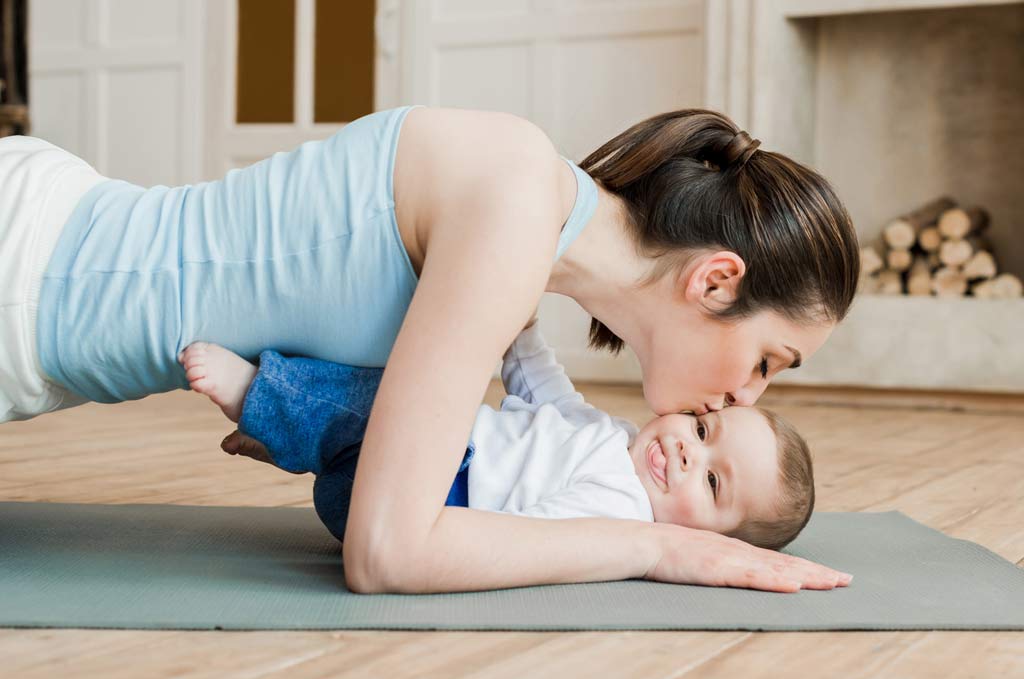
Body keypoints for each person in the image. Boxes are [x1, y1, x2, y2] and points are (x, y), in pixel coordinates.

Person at [0, 104, 859, 593]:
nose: (745, 398)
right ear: (715, 282)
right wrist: (659, 546)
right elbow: (386, 552)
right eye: (768, 362)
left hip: (48, 245)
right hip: (24, 279)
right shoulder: (517, 213)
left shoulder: (531, 201)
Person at [178, 321, 816, 554]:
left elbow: (532, 537)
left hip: (442, 487)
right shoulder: (614, 436)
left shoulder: (621, 511)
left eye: (710, 480)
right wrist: (521, 328)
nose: (685, 450)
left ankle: (256, 395)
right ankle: (286, 434)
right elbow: (544, 390)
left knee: (371, 401)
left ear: (699, 537)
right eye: (703, 429)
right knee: (377, 390)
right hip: (389, 489)